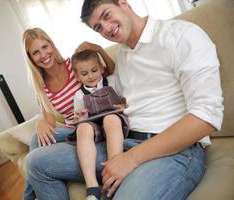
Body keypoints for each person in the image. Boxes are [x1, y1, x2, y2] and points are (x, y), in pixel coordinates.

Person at [26, 0, 224, 199]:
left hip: (173, 150)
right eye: (98, 27)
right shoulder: (124, 55)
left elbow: (207, 116)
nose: (106, 28)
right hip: (124, 139)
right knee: (35, 163)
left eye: (106, 15)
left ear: (123, 3)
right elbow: (110, 92)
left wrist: (130, 159)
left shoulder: (181, 35)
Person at [22, 27, 115, 200]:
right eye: (36, 52)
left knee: (35, 143)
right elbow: (48, 121)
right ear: (31, 59)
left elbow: (109, 72)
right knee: (37, 138)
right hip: (72, 130)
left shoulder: (73, 66)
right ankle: (32, 192)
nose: (43, 55)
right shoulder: (41, 87)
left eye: (44, 47)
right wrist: (41, 123)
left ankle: (27, 197)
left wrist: (99, 49)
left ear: (52, 45)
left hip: (92, 126)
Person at [68, 49, 129, 200]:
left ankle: (112, 177)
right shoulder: (79, 95)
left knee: (110, 119)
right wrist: (81, 117)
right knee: (82, 128)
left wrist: (124, 105)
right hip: (94, 125)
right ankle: (92, 188)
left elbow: (127, 98)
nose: (90, 76)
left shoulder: (113, 81)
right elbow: (78, 119)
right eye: (84, 73)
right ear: (77, 77)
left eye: (94, 70)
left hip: (114, 120)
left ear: (101, 68)